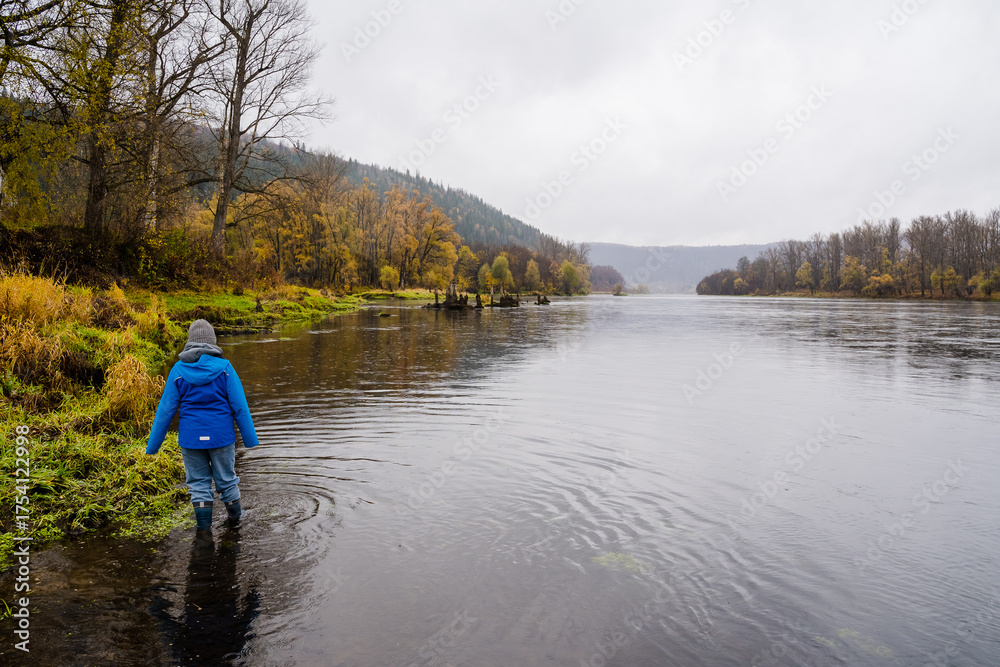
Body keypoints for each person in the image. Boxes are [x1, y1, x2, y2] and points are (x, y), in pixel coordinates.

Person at [147, 319, 259, 530]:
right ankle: (236, 525)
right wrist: (250, 440)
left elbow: (165, 411)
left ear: (189, 342)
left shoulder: (178, 370)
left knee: (198, 485)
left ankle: (204, 532)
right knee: (227, 480)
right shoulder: (225, 368)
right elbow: (240, 406)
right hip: (221, 437)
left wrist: (153, 446)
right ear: (212, 341)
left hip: (191, 439)